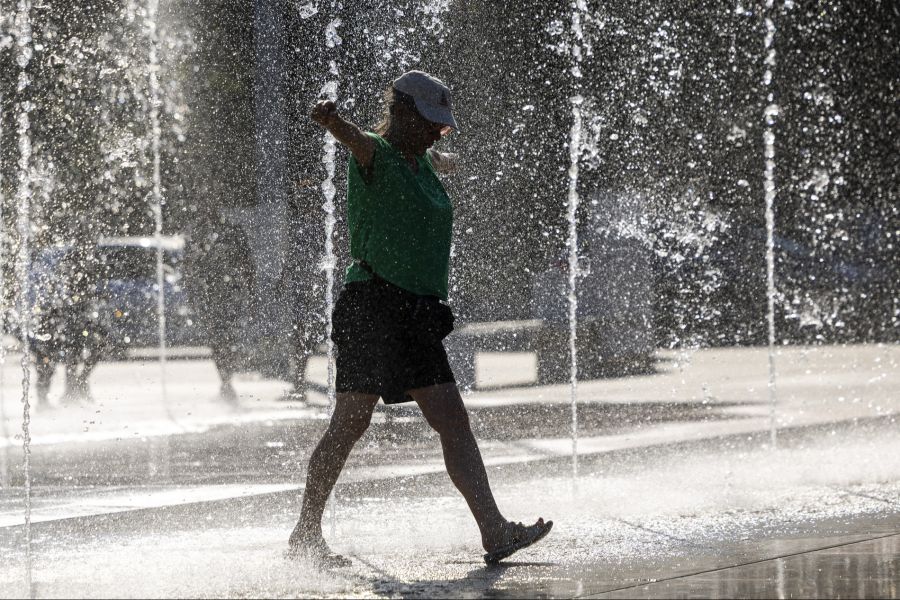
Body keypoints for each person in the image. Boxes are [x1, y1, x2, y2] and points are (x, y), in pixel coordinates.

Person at [288, 70, 552, 567]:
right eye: (431, 122)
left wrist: (450, 154)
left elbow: (438, 157)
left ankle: (494, 531)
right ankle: (305, 533)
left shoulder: (422, 160)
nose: (437, 131)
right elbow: (353, 137)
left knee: (451, 418)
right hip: (374, 305)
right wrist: (331, 119)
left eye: (443, 126)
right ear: (402, 112)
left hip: (416, 313)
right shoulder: (376, 154)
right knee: (350, 422)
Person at [184, 216, 256, 402]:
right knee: (218, 341)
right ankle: (225, 381)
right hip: (212, 295)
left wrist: (251, 291)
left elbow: (247, 263)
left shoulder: (232, 230)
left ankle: (227, 380)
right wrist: (192, 293)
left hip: (230, 294)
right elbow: (190, 266)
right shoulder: (199, 230)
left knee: (228, 338)